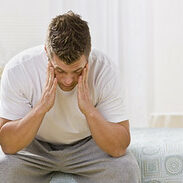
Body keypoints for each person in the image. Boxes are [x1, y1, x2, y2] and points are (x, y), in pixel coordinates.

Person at [0, 11, 141, 183]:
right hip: (34, 146)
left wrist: (89, 110)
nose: (68, 80)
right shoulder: (18, 69)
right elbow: (8, 145)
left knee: (125, 170)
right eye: (59, 70)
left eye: (77, 71)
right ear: (47, 52)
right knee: (4, 168)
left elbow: (119, 147)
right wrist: (41, 107)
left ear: (88, 56)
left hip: (89, 144)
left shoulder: (105, 70)